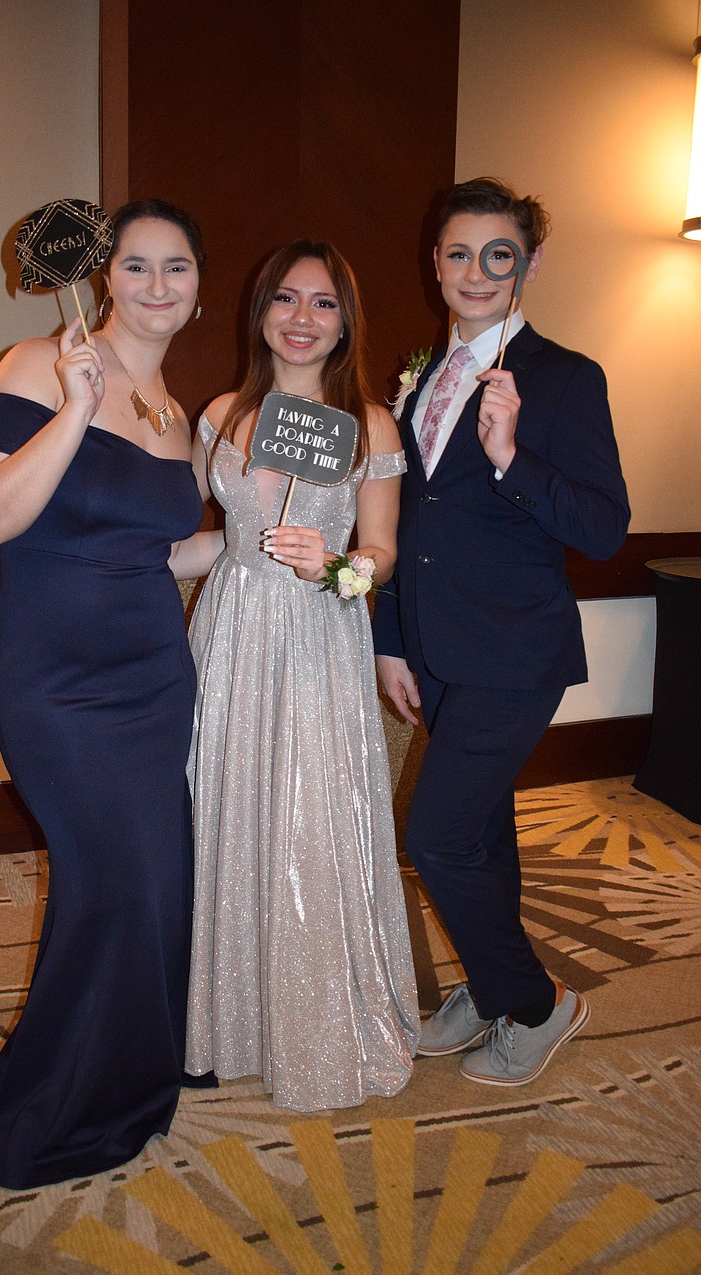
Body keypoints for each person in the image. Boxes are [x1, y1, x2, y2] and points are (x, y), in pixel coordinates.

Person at [0, 199, 221, 1188]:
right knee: (122, 882)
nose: (155, 286)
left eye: (175, 269)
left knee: (155, 883)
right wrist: (70, 407)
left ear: (195, 291)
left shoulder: (176, 416)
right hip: (55, 678)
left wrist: (264, 547)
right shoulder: (32, 362)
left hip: (151, 673)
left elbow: (165, 550)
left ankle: (127, 1083)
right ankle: (56, 1100)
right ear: (106, 278)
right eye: (136, 267)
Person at [373, 178, 630, 1086]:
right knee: (481, 831)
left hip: (517, 652)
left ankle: (535, 1002)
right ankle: (487, 988)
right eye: (457, 253)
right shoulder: (421, 378)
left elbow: (604, 527)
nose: (475, 271)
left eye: (498, 254)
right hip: (438, 649)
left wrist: (514, 457)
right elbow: (407, 522)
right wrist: (390, 638)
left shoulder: (565, 377)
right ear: (434, 262)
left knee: (438, 835)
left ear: (528, 263)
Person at [184, 240, 420, 1111]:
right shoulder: (219, 414)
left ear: (345, 321)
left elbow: (382, 555)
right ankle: (220, 1016)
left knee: (309, 817)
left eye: (322, 303)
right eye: (285, 298)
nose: (301, 318)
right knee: (224, 805)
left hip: (317, 635)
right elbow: (218, 536)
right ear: (261, 311)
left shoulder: (370, 424)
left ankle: (317, 1023)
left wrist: (335, 563)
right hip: (234, 626)